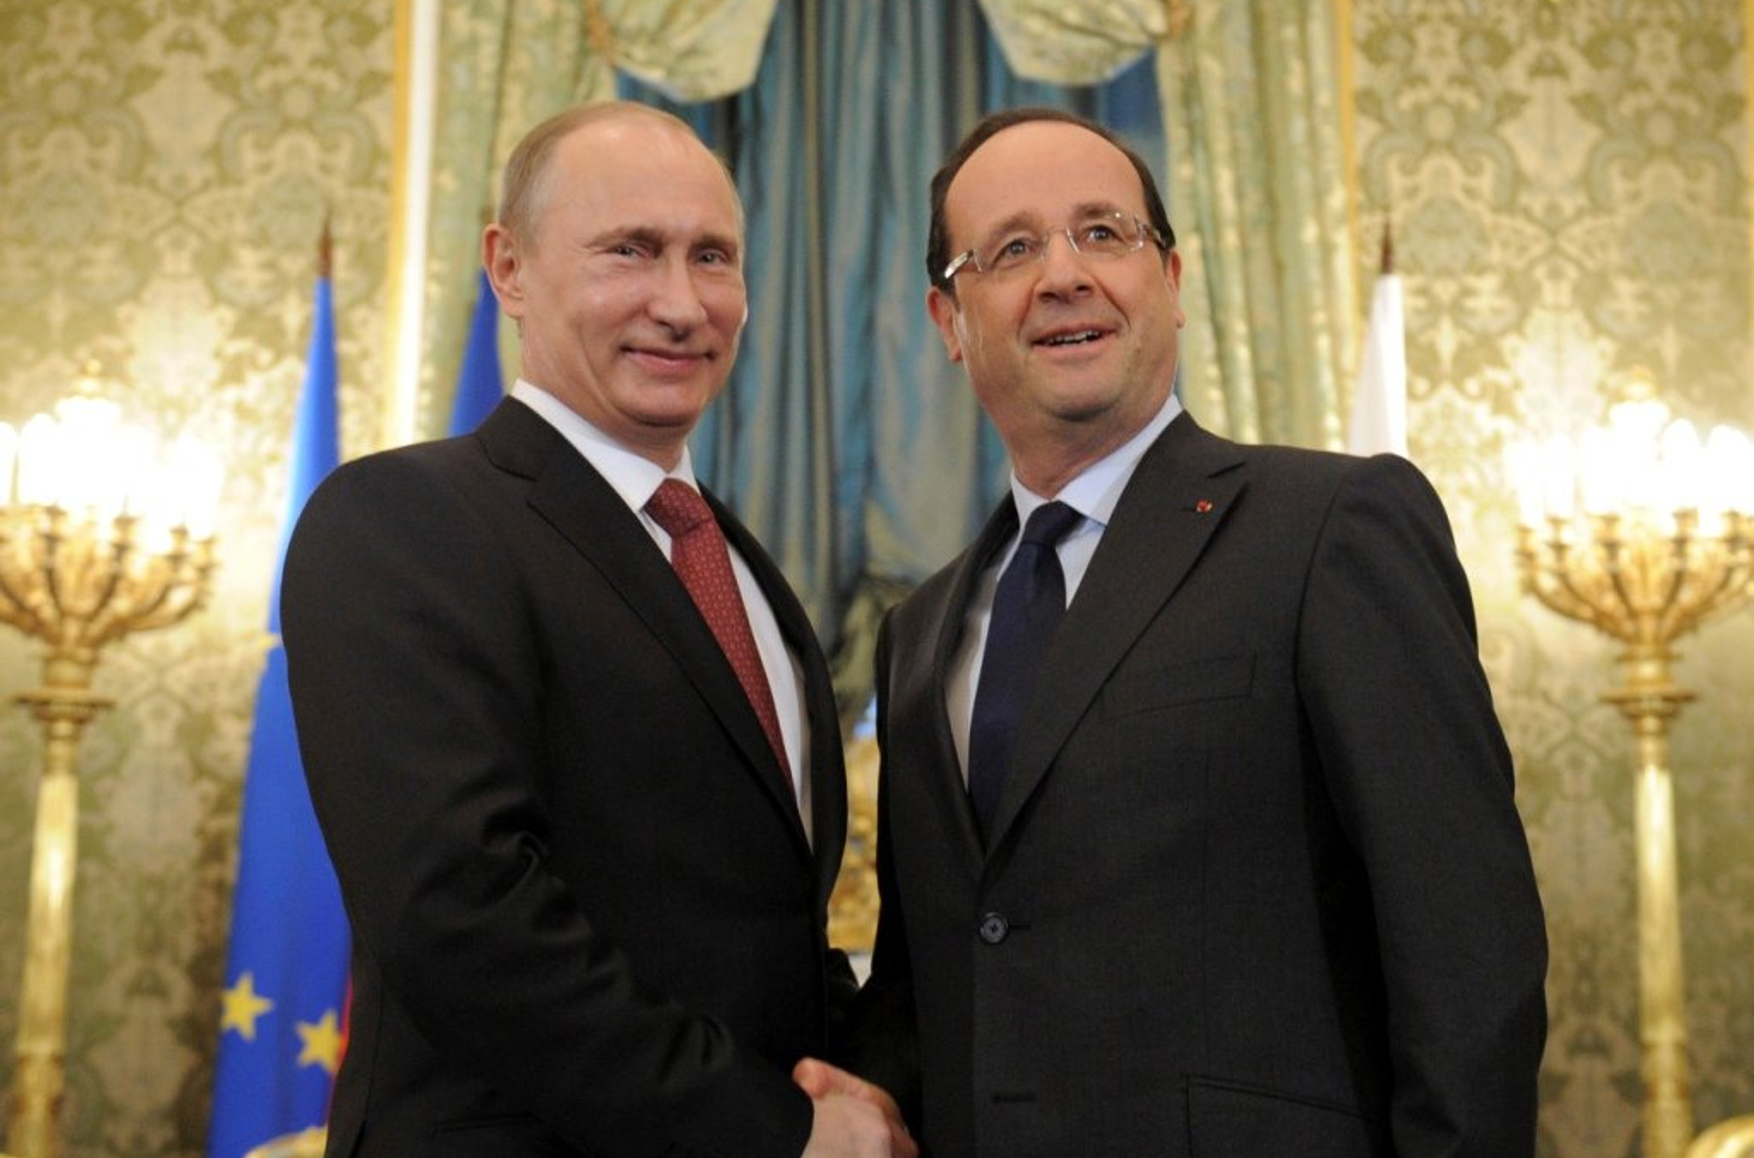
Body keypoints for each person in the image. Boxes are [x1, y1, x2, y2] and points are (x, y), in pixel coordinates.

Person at [836, 107, 1549, 1157]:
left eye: (1103, 232)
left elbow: (1466, 952)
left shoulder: (1330, 528)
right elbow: (934, 981)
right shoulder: (917, 634)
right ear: (949, 321)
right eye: (1012, 249)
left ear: (1169, 283)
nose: (1064, 274)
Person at [282, 102, 914, 1158]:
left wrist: (873, 1093)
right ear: (510, 268)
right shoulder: (404, 520)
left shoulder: (741, 570)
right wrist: (778, 1132)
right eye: (630, 250)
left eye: (711, 257)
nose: (680, 304)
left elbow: (761, 936)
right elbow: (463, 916)